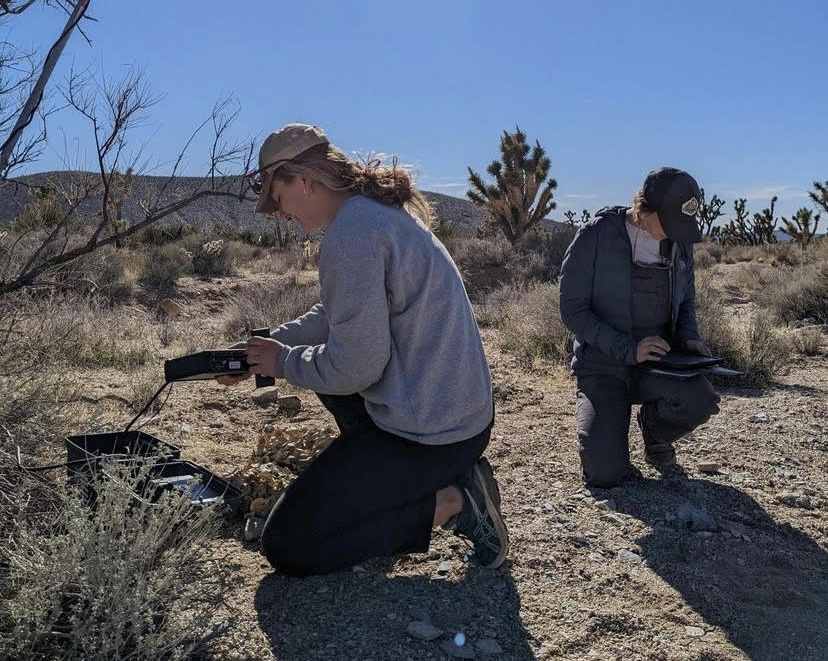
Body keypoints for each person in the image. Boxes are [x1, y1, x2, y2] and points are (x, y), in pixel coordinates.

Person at [218, 123, 508, 575]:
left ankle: (454, 501)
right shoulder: (371, 214)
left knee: (290, 543)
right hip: (454, 419)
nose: (279, 213)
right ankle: (400, 481)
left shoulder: (352, 234)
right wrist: (271, 343)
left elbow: (355, 368)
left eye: (277, 197)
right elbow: (336, 316)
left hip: (429, 437)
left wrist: (283, 363)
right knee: (325, 371)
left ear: (305, 179)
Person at [559, 167, 721, 488]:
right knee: (604, 474)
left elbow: (686, 300)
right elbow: (572, 310)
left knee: (701, 399)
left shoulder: (678, 242)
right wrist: (628, 348)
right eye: (670, 222)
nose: (675, 232)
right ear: (644, 208)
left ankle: (654, 430)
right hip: (603, 366)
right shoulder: (596, 235)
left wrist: (689, 340)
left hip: (657, 364)